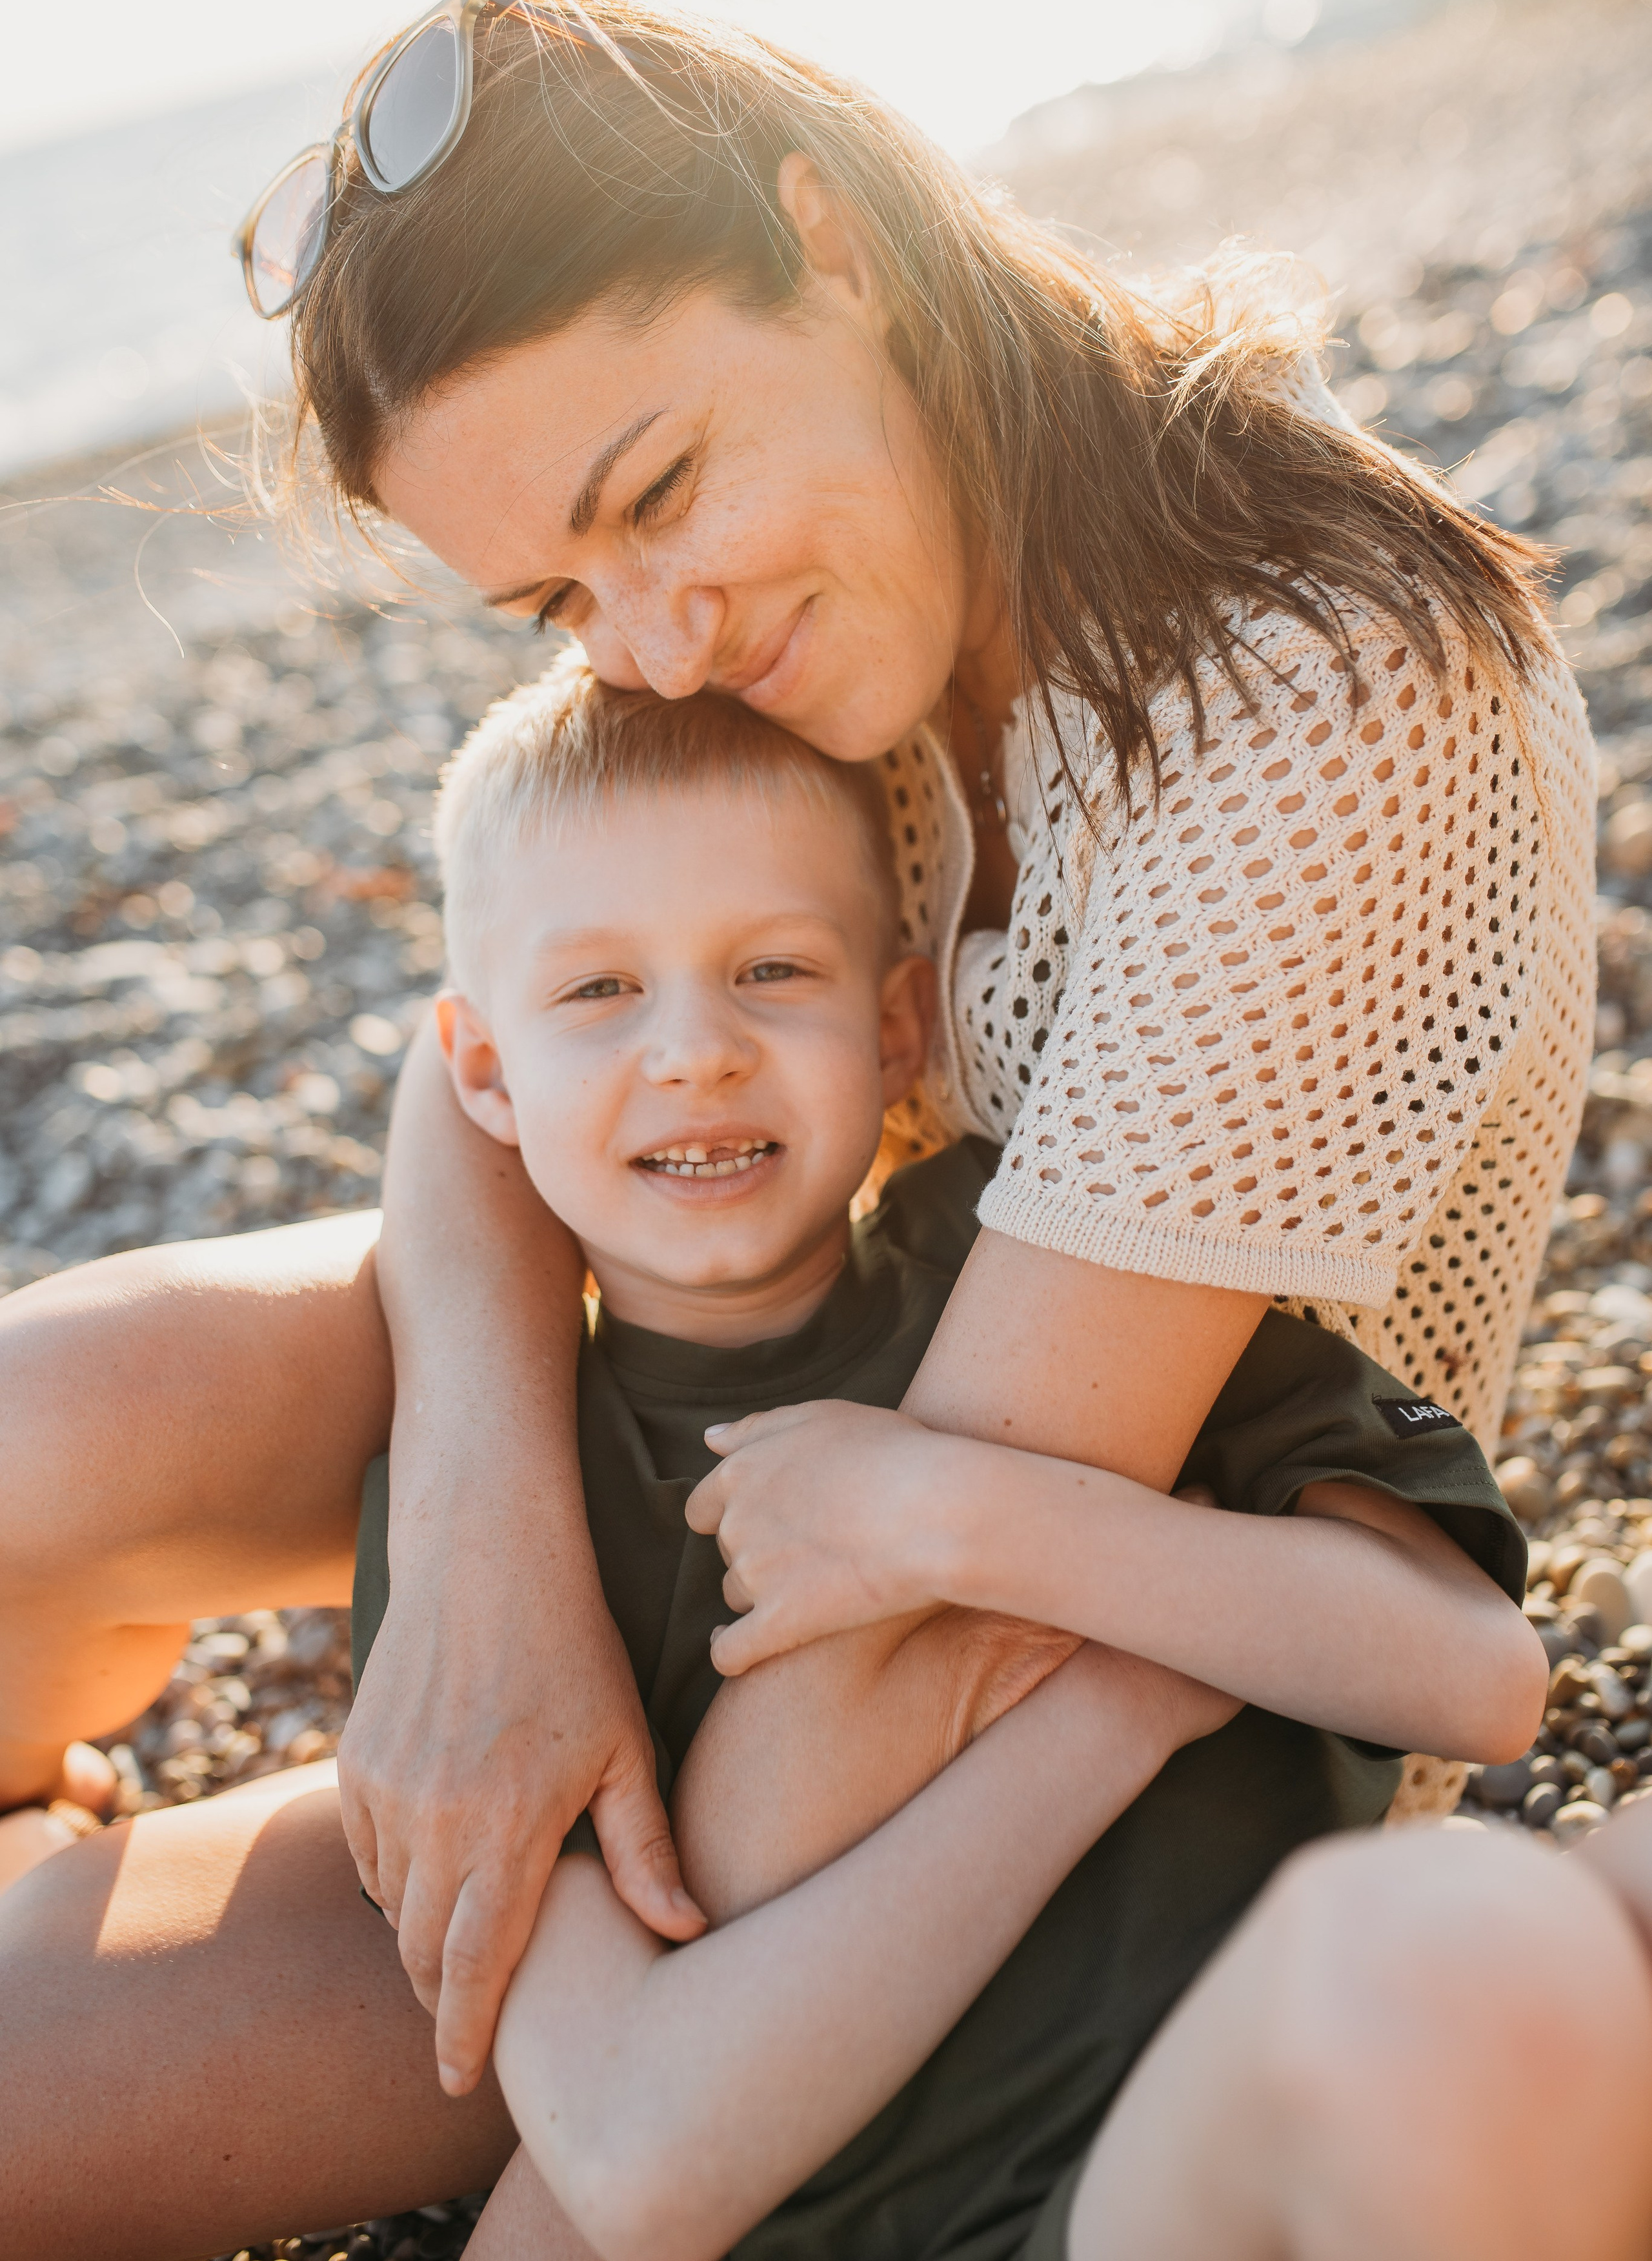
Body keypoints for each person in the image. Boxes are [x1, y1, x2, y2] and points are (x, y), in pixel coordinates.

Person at [0, 0, 1604, 2247]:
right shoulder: (819, 571)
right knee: (38, 1421)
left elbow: (925, 1627)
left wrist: (553, 1889)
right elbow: (477, 1038)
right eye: (556, 591)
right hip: (765, 1365)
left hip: (1011, 1671)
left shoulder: (1312, 713)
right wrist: (483, 1537)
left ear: (830, 233)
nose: (643, 643)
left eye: (653, 495)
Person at [0, 653, 1533, 2258]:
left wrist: (983, 1520)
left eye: (771, 972)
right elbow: (628, 2148)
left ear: (893, 1025)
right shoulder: (494, 1524)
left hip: (1194, 2143)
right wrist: (1111, 1704)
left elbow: (1473, 1682)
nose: (694, 1052)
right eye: (598, 991)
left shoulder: (1052, 1273)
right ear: (479, 1075)